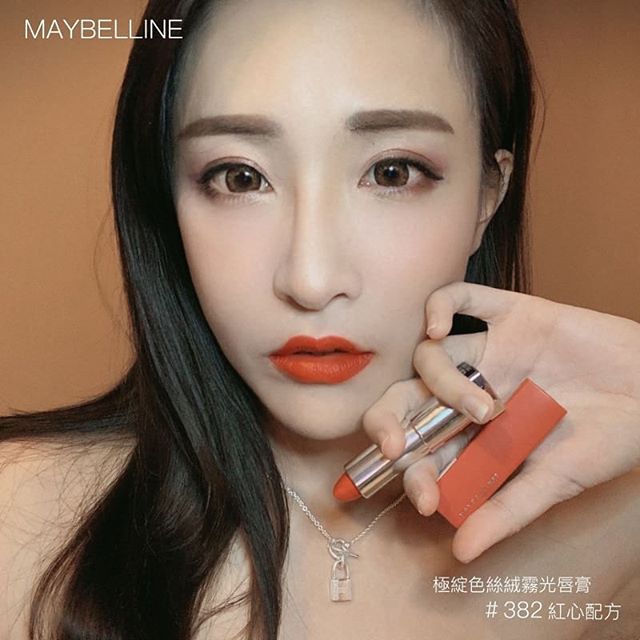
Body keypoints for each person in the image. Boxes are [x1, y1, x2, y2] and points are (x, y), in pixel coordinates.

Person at [1, 1, 638, 639]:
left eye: (391, 172)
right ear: (169, 198)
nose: (309, 280)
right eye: (240, 178)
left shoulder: (618, 536)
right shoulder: (16, 517)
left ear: (486, 196)